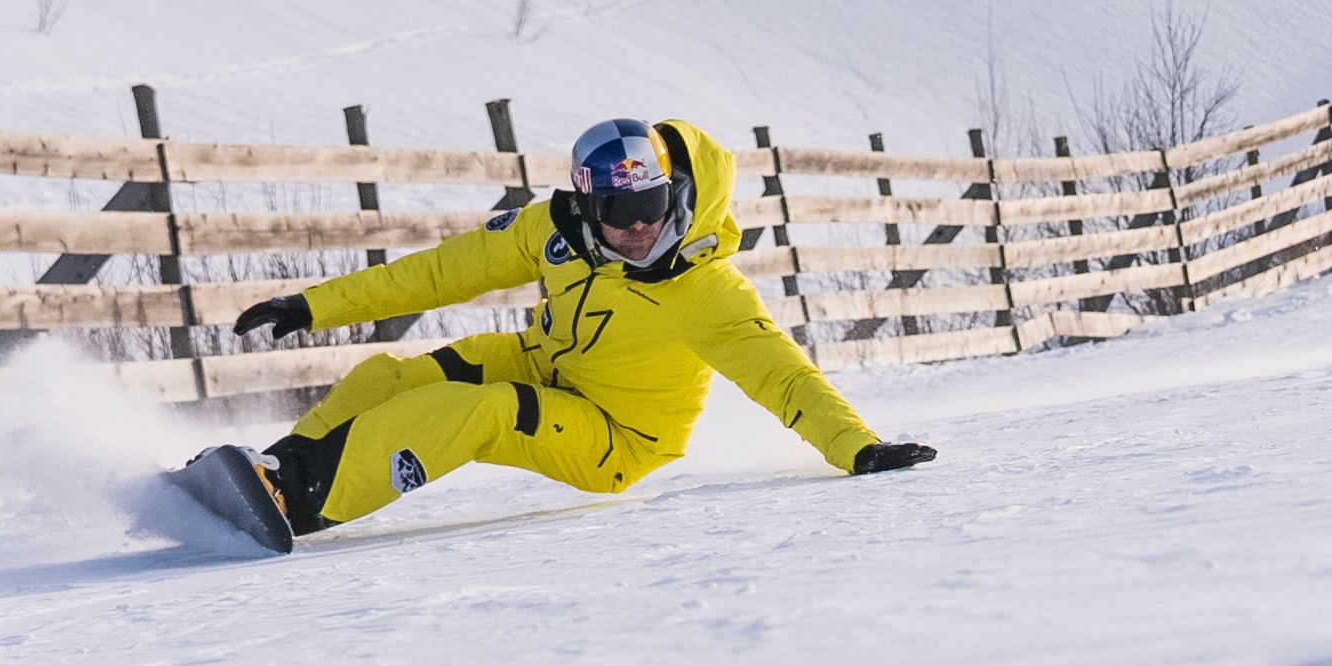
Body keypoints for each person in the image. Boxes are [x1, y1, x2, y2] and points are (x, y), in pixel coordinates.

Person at [188, 116, 935, 536]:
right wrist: (313, 306)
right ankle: (276, 469)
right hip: (547, 365)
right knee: (394, 374)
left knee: (478, 409)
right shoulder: (556, 231)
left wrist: (858, 447)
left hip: (615, 436)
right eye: (617, 211)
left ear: (675, 193)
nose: (637, 227)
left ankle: (304, 498)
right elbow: (441, 272)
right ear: (586, 205)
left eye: (650, 206)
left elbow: (785, 378)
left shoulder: (707, 291)